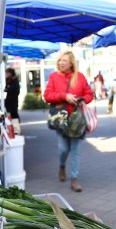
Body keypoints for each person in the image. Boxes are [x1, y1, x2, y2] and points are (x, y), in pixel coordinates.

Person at [44, 51, 94, 192]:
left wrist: (83, 99)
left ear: (71, 62)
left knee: (75, 150)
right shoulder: (53, 77)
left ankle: (74, 179)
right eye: (60, 60)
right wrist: (64, 96)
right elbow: (47, 96)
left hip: (76, 120)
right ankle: (61, 166)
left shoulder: (80, 77)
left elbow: (89, 94)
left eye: (64, 60)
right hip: (61, 119)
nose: (61, 63)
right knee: (63, 149)